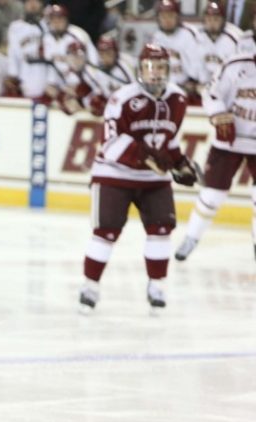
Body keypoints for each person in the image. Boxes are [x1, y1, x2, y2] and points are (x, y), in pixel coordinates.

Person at [78, 44, 200, 313]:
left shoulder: (178, 99)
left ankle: (157, 285)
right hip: (114, 174)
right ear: (139, 69)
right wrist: (146, 156)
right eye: (149, 67)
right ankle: (90, 286)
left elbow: (170, 142)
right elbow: (110, 144)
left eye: (160, 68)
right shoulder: (122, 98)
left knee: (161, 230)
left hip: (152, 180)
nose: (155, 74)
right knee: (106, 232)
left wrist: (180, 164)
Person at [176, 49, 256, 262]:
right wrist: (219, 114)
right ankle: (191, 238)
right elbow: (211, 93)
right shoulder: (236, 65)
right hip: (229, 141)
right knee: (212, 195)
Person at [147, 0, 202, 102]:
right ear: (158, 18)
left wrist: (193, 81)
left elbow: (199, 63)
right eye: (163, 16)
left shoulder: (189, 34)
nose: (167, 20)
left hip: (188, 89)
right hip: (163, 90)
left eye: (171, 16)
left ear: (178, 17)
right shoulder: (155, 38)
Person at [195, 1, 248, 85]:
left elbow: (239, 69)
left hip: (228, 85)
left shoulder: (234, 38)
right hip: (204, 85)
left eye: (216, 19)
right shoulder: (198, 36)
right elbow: (198, 65)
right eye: (208, 19)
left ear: (223, 20)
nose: (212, 23)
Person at [5, 0, 49, 98]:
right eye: (29, 1)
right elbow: (13, 54)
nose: (32, 5)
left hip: (47, 74)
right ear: (24, 4)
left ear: (42, 4)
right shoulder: (15, 27)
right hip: (26, 73)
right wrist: (13, 75)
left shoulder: (50, 24)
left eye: (36, 1)